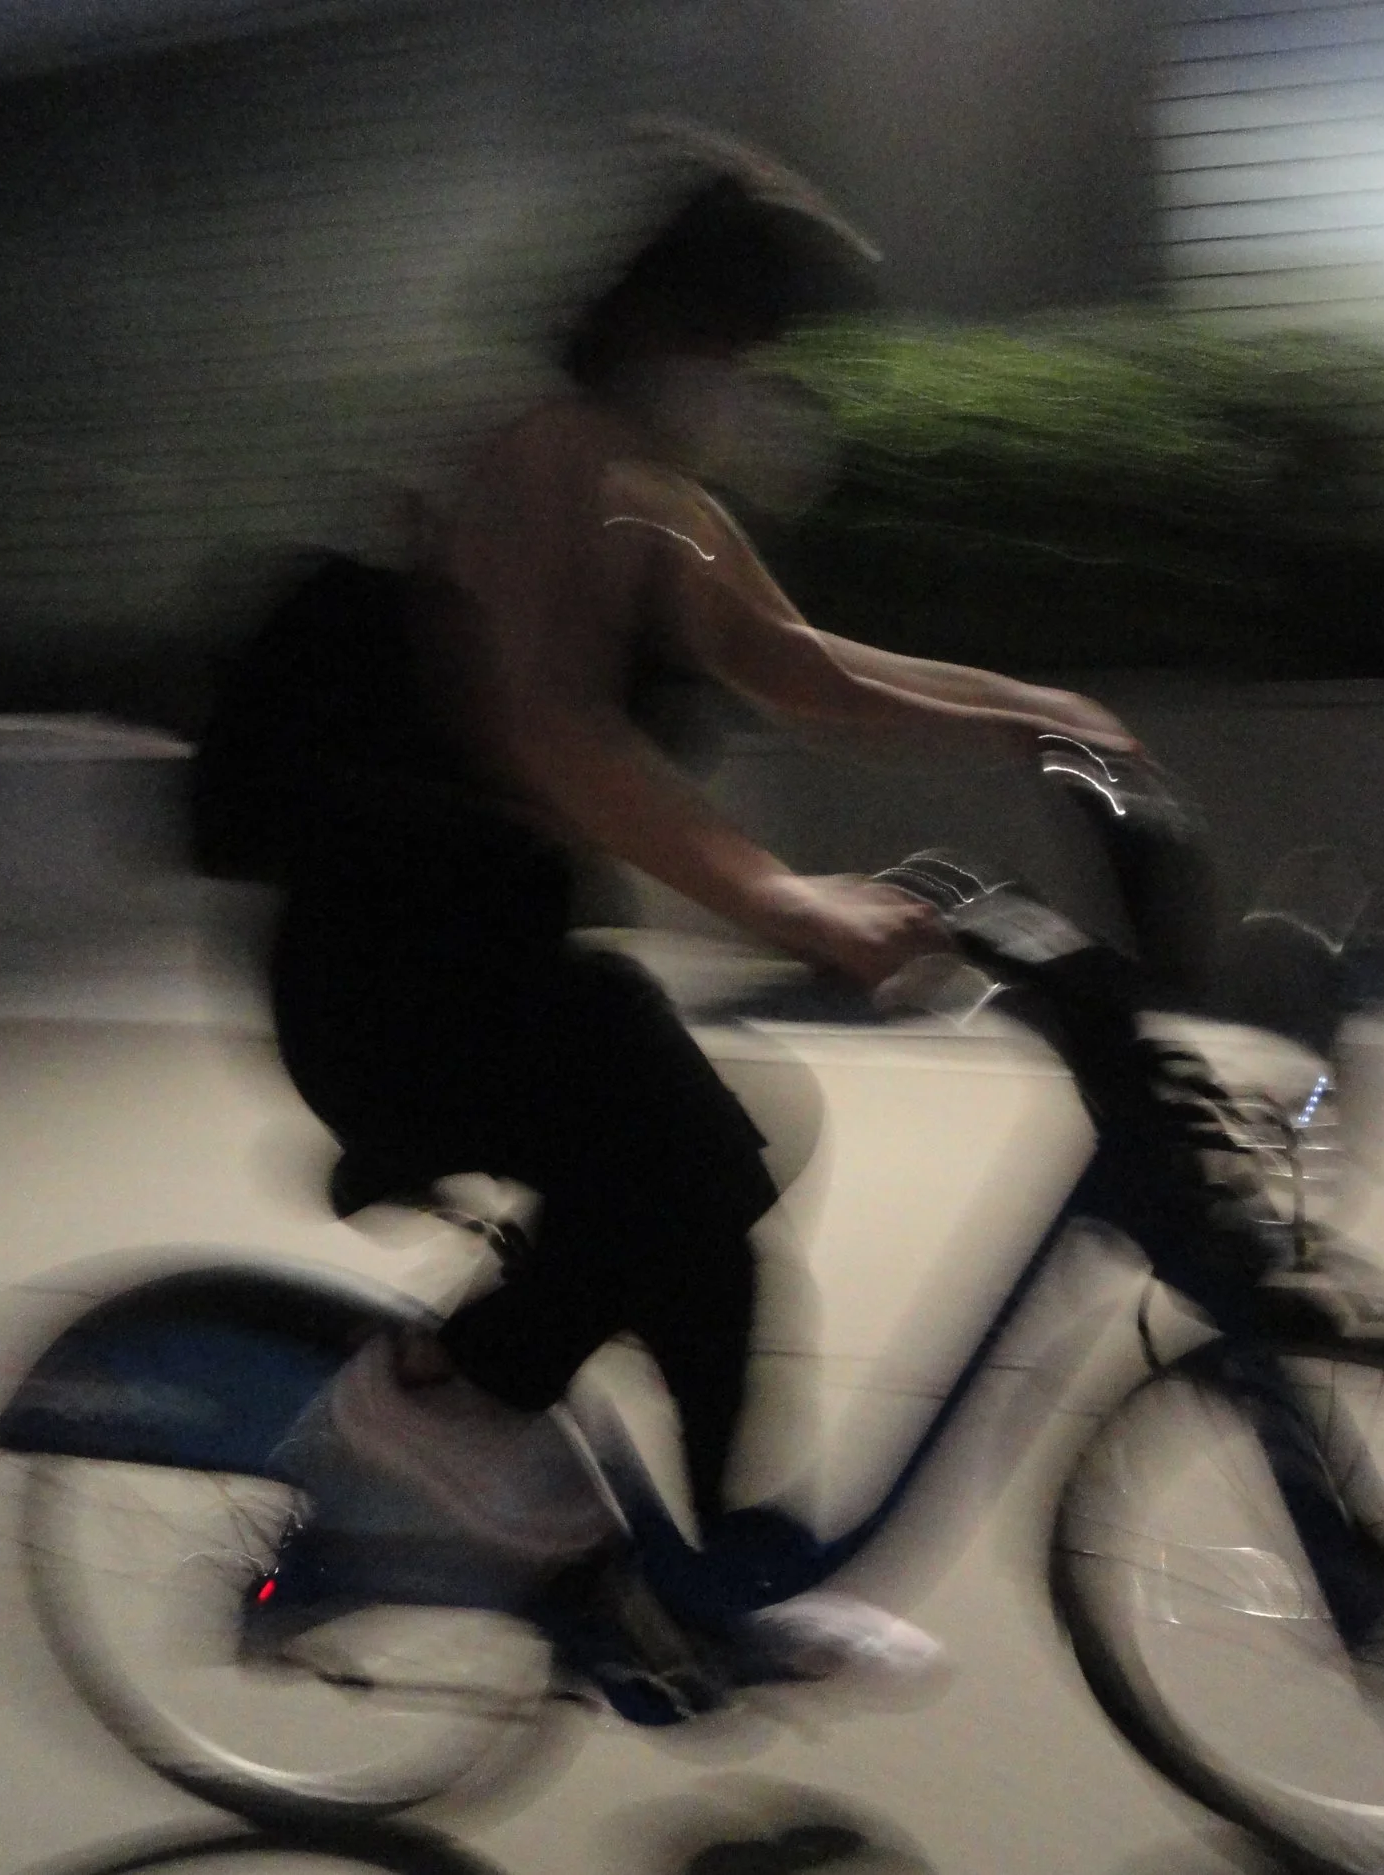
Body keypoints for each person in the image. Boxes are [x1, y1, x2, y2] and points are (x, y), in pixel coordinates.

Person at [265, 136, 1135, 1681]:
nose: (759, 381)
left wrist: (1037, 713)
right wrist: (782, 897)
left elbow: (813, 674)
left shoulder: (650, 500)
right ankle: (426, 1390)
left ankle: (733, 1572)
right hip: (386, 971)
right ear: (670, 326)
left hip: (495, 956)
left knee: (720, 1171)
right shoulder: (543, 456)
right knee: (679, 1157)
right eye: (745, 344)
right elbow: (540, 727)